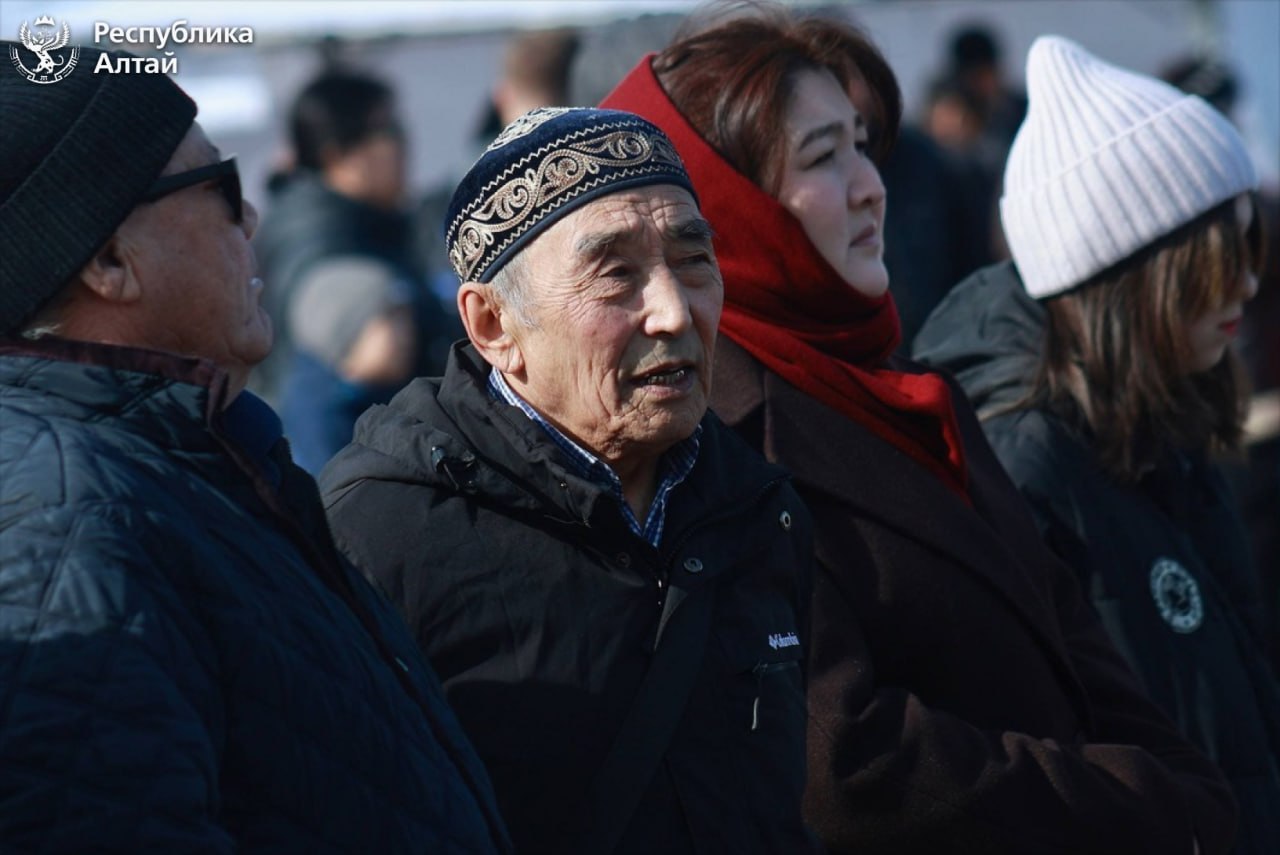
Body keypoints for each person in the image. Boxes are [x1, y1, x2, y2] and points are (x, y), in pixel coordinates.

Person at [601, 9, 1238, 854]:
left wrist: (1188, 791)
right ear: (731, 210)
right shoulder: (711, 442)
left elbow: (1066, 626)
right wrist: (1136, 804)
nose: (871, 183)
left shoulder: (909, 391)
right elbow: (850, 761)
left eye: (863, 143)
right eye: (824, 157)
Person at [0, 44, 508, 853]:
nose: (254, 219)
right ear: (107, 259)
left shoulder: (172, 465)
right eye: (221, 188)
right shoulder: (66, 519)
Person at [320, 107, 817, 854]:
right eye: (616, 274)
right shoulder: (380, 540)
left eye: (693, 260)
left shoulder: (757, 506)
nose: (674, 310)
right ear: (492, 327)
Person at [914, 36, 1280, 854]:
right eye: (1218, 261)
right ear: (1132, 277)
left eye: (1251, 249)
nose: (1249, 286)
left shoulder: (1160, 413)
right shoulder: (1025, 457)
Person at [253, 68, 460, 474]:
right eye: (388, 130)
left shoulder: (353, 222)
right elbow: (373, 359)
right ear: (336, 154)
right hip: (356, 487)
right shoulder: (322, 241)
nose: (404, 144)